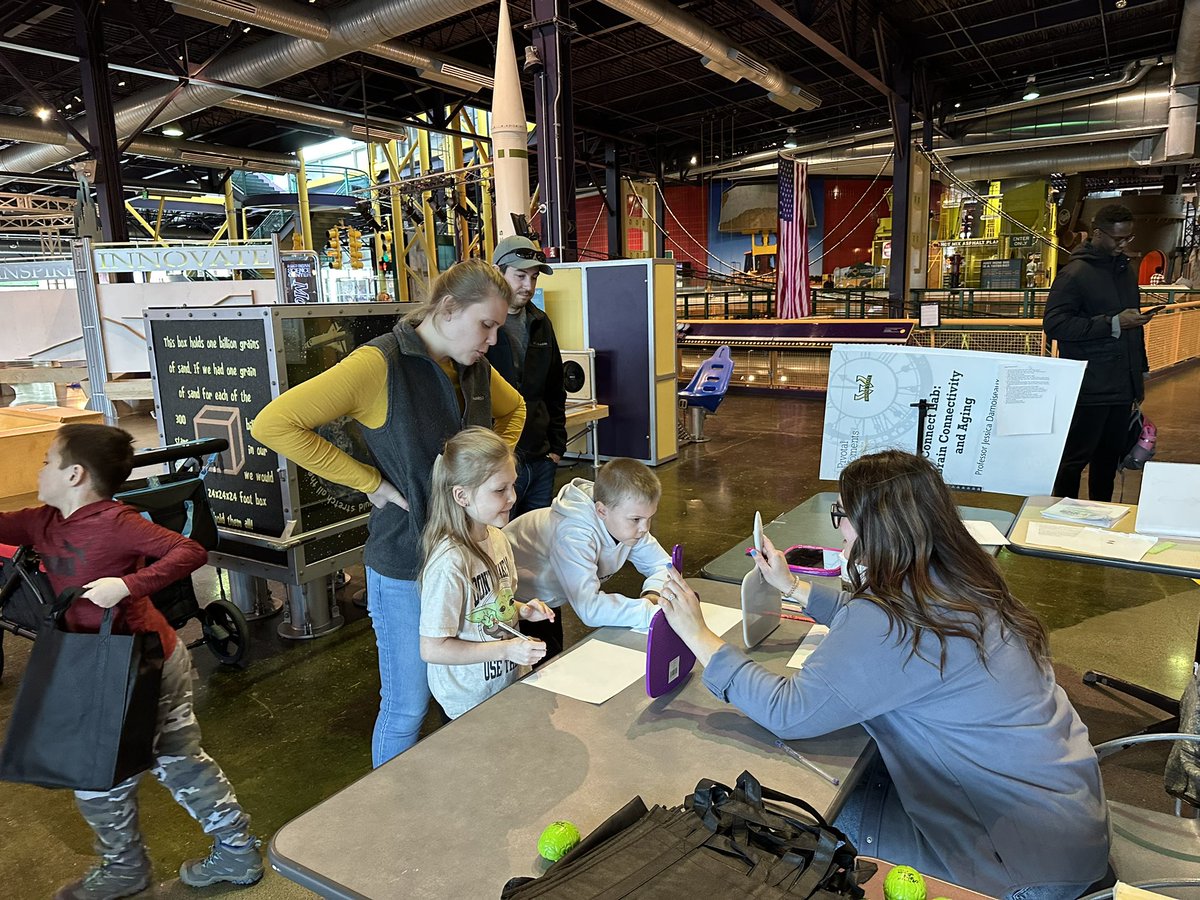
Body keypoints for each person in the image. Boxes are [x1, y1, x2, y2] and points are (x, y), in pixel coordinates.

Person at [655, 450, 1110, 900]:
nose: (839, 529)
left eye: (842, 514)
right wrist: (794, 587)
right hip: (1065, 826)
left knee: (770, 822)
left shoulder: (891, 619)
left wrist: (700, 637)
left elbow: (787, 710)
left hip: (1015, 864)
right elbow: (878, 627)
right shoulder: (967, 577)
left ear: (875, 526)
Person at [252, 259, 527, 767]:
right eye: (486, 324)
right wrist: (371, 483)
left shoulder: (474, 370)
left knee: (468, 690)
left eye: (497, 327)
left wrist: (493, 470)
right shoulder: (379, 366)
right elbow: (275, 423)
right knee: (407, 706)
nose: (491, 340)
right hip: (405, 564)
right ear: (447, 308)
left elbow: (518, 410)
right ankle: (384, 831)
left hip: (469, 555)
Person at [0, 424, 261, 900]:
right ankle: (232, 850)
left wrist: (126, 585)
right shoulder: (44, 522)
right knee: (171, 760)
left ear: (75, 474)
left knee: (103, 773)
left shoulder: (116, 521)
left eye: (46, 461)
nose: (38, 470)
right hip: (97, 666)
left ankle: (129, 867)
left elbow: (189, 550)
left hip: (144, 665)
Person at [418, 428, 555, 718]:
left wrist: (523, 611)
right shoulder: (450, 562)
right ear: (462, 496)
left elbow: (491, 604)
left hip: (505, 685)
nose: (512, 498)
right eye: (499, 490)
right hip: (467, 705)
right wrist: (505, 651)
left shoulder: (497, 537)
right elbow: (432, 648)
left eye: (513, 486)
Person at [1043, 204, 1156, 501]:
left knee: (1108, 460)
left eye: (1128, 238)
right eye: (1116, 238)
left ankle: (1101, 519)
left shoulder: (1125, 272)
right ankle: (1062, 516)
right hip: (1089, 386)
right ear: (1097, 234)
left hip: (1121, 386)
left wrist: (1138, 373)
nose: (1122, 245)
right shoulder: (1075, 274)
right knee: (1073, 461)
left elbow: (1134, 329)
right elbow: (1055, 325)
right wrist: (1114, 323)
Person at [504, 458, 670, 658]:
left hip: (548, 599)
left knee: (552, 660)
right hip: (516, 602)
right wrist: (651, 613)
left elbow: (663, 565)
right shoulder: (573, 534)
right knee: (536, 673)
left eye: (649, 517)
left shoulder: (625, 520)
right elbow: (589, 608)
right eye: (636, 519)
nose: (645, 528)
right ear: (601, 510)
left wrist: (653, 593)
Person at [488, 235, 567, 518]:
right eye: (520, 275)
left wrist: (557, 447)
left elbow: (555, 388)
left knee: (536, 546)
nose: (528, 286)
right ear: (497, 272)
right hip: (495, 464)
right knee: (498, 544)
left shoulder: (540, 322)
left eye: (534, 277)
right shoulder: (480, 324)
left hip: (540, 460)